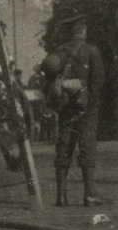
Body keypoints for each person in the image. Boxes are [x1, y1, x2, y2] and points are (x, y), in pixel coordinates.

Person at [44, 13, 105, 207]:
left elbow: (49, 77)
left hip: (65, 108)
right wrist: (89, 103)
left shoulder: (59, 53)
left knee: (63, 148)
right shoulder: (91, 51)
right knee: (87, 148)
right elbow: (98, 82)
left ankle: (61, 196)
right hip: (85, 109)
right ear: (82, 30)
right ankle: (89, 194)